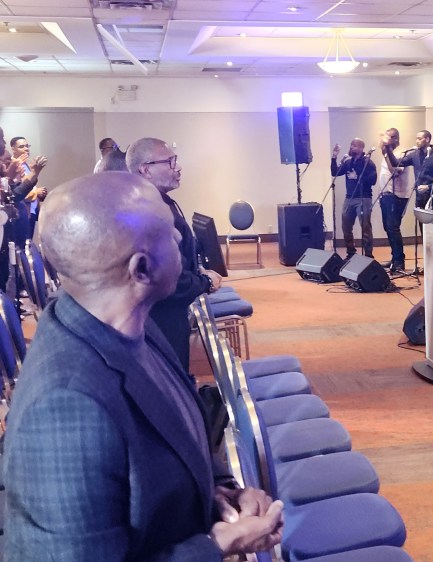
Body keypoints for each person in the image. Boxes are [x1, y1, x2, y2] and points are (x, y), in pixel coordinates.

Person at [2, 172, 284, 560]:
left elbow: (175, 433)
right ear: (141, 269)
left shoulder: (133, 321)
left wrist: (221, 491)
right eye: (168, 232)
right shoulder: (66, 405)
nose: (181, 237)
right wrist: (218, 544)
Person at [126, 137, 222, 371]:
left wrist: (196, 270)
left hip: (165, 316)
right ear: (146, 169)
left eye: (175, 160)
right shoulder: (148, 211)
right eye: (169, 162)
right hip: (161, 320)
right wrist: (205, 282)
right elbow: (168, 279)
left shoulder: (159, 202)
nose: (177, 167)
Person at [331, 138, 377, 259]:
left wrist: (358, 177)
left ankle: (368, 256)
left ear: (361, 148)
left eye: (354, 145)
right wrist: (334, 157)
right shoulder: (348, 163)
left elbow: (373, 180)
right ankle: (351, 253)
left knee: (365, 227)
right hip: (349, 198)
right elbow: (334, 172)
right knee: (346, 226)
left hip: (364, 198)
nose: (351, 147)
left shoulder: (368, 163)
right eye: (351, 145)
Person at [383, 129, 433, 212]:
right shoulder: (414, 154)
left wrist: (428, 187)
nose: (417, 141)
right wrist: (387, 147)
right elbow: (396, 163)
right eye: (416, 139)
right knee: (420, 220)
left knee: (431, 220)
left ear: (427, 139)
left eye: (419, 139)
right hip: (419, 198)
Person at [377, 128, 411, 272]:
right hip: (386, 195)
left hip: (396, 196)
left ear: (396, 138)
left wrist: (386, 152)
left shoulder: (402, 153)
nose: (385, 141)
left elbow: (394, 171)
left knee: (393, 228)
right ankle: (394, 258)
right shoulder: (388, 152)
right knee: (388, 228)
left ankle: (399, 262)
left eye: (389, 138)